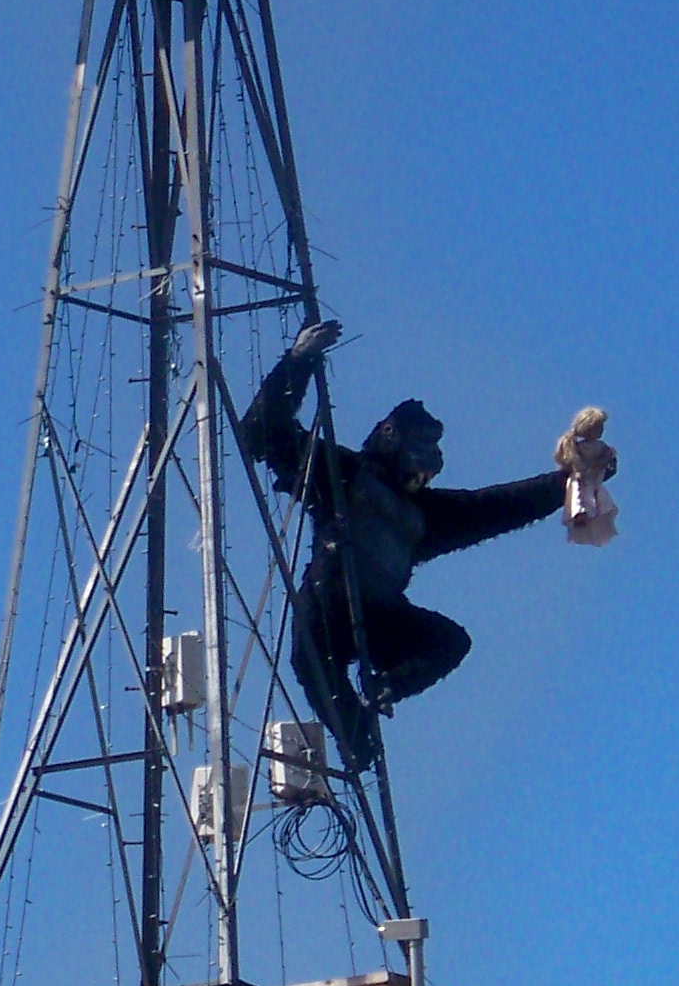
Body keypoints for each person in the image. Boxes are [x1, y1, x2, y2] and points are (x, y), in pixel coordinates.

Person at [236, 319, 603, 771]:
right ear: (391, 439)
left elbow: (498, 506)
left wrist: (571, 481)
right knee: (317, 668)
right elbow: (261, 433)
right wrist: (298, 362)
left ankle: (385, 687)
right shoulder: (343, 474)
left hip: (381, 616)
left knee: (449, 641)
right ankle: (359, 740)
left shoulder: (426, 514)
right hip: (329, 606)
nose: (427, 470)